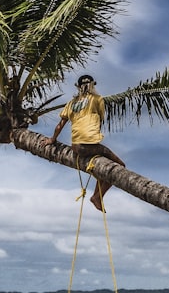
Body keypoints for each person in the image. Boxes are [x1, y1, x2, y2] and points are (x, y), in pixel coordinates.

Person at [49, 74, 125, 212]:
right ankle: (97, 197)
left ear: (78, 87)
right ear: (93, 85)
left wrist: (52, 139)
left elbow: (60, 125)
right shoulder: (97, 99)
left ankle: (97, 197)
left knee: (102, 173)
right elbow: (100, 120)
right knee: (120, 165)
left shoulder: (71, 103)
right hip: (90, 145)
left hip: (76, 146)